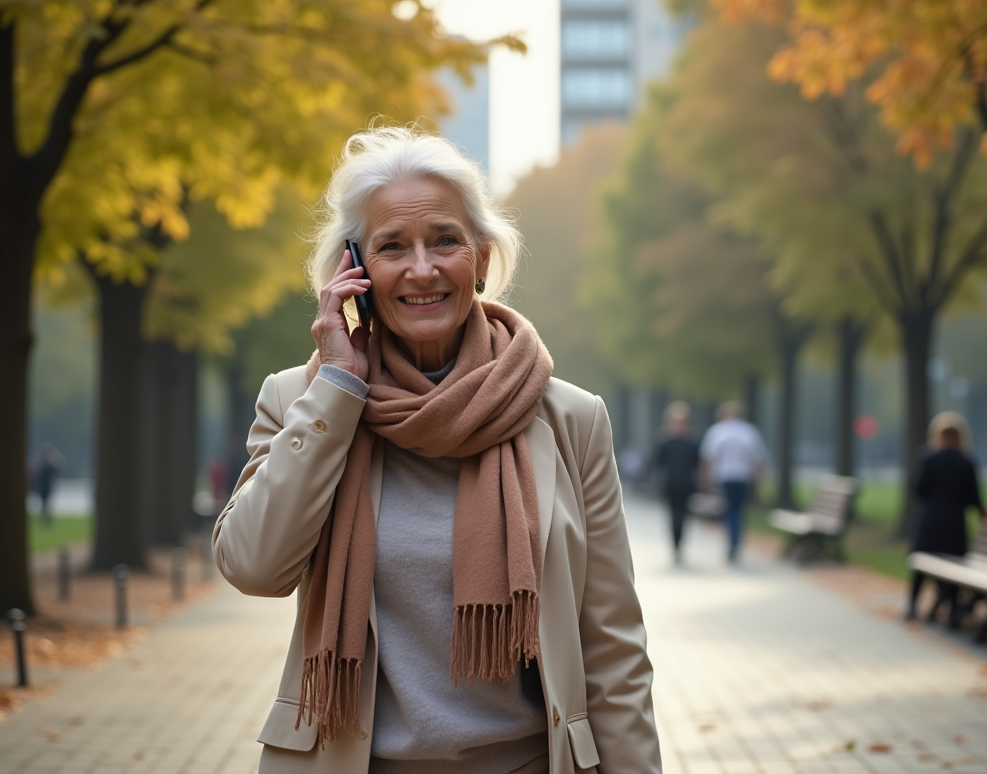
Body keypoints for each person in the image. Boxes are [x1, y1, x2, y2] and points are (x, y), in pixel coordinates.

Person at [213, 127, 661, 774]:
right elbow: (253, 567)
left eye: (445, 241)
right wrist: (338, 388)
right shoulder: (302, 402)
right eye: (393, 246)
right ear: (356, 271)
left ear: (480, 259)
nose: (422, 268)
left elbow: (613, 649)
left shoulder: (570, 418)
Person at [905, 412, 985, 622]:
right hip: (954, 526)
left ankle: (912, 606)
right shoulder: (966, 461)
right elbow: (974, 498)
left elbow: (918, 490)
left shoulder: (928, 458)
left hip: (929, 523)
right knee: (954, 565)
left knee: (920, 566)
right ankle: (953, 608)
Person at [699, 402, 768, 561]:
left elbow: (708, 458)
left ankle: (732, 542)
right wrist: (758, 480)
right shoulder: (749, 431)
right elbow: (758, 459)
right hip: (743, 476)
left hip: (725, 476)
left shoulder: (717, 431)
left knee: (730, 510)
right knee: (739, 510)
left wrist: (705, 478)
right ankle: (736, 542)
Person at [655, 402, 699, 564]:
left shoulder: (692, 442)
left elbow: (697, 463)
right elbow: (658, 462)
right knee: (673, 515)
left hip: (686, 484)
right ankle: (675, 546)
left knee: (684, 516)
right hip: (670, 483)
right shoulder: (665, 442)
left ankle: (680, 544)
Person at [34, 444, 62, 528]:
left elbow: (56, 471)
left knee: (46, 505)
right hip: (43, 488)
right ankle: (45, 521)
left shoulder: (49, 467)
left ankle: (46, 521)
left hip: (47, 488)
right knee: (44, 505)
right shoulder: (42, 466)